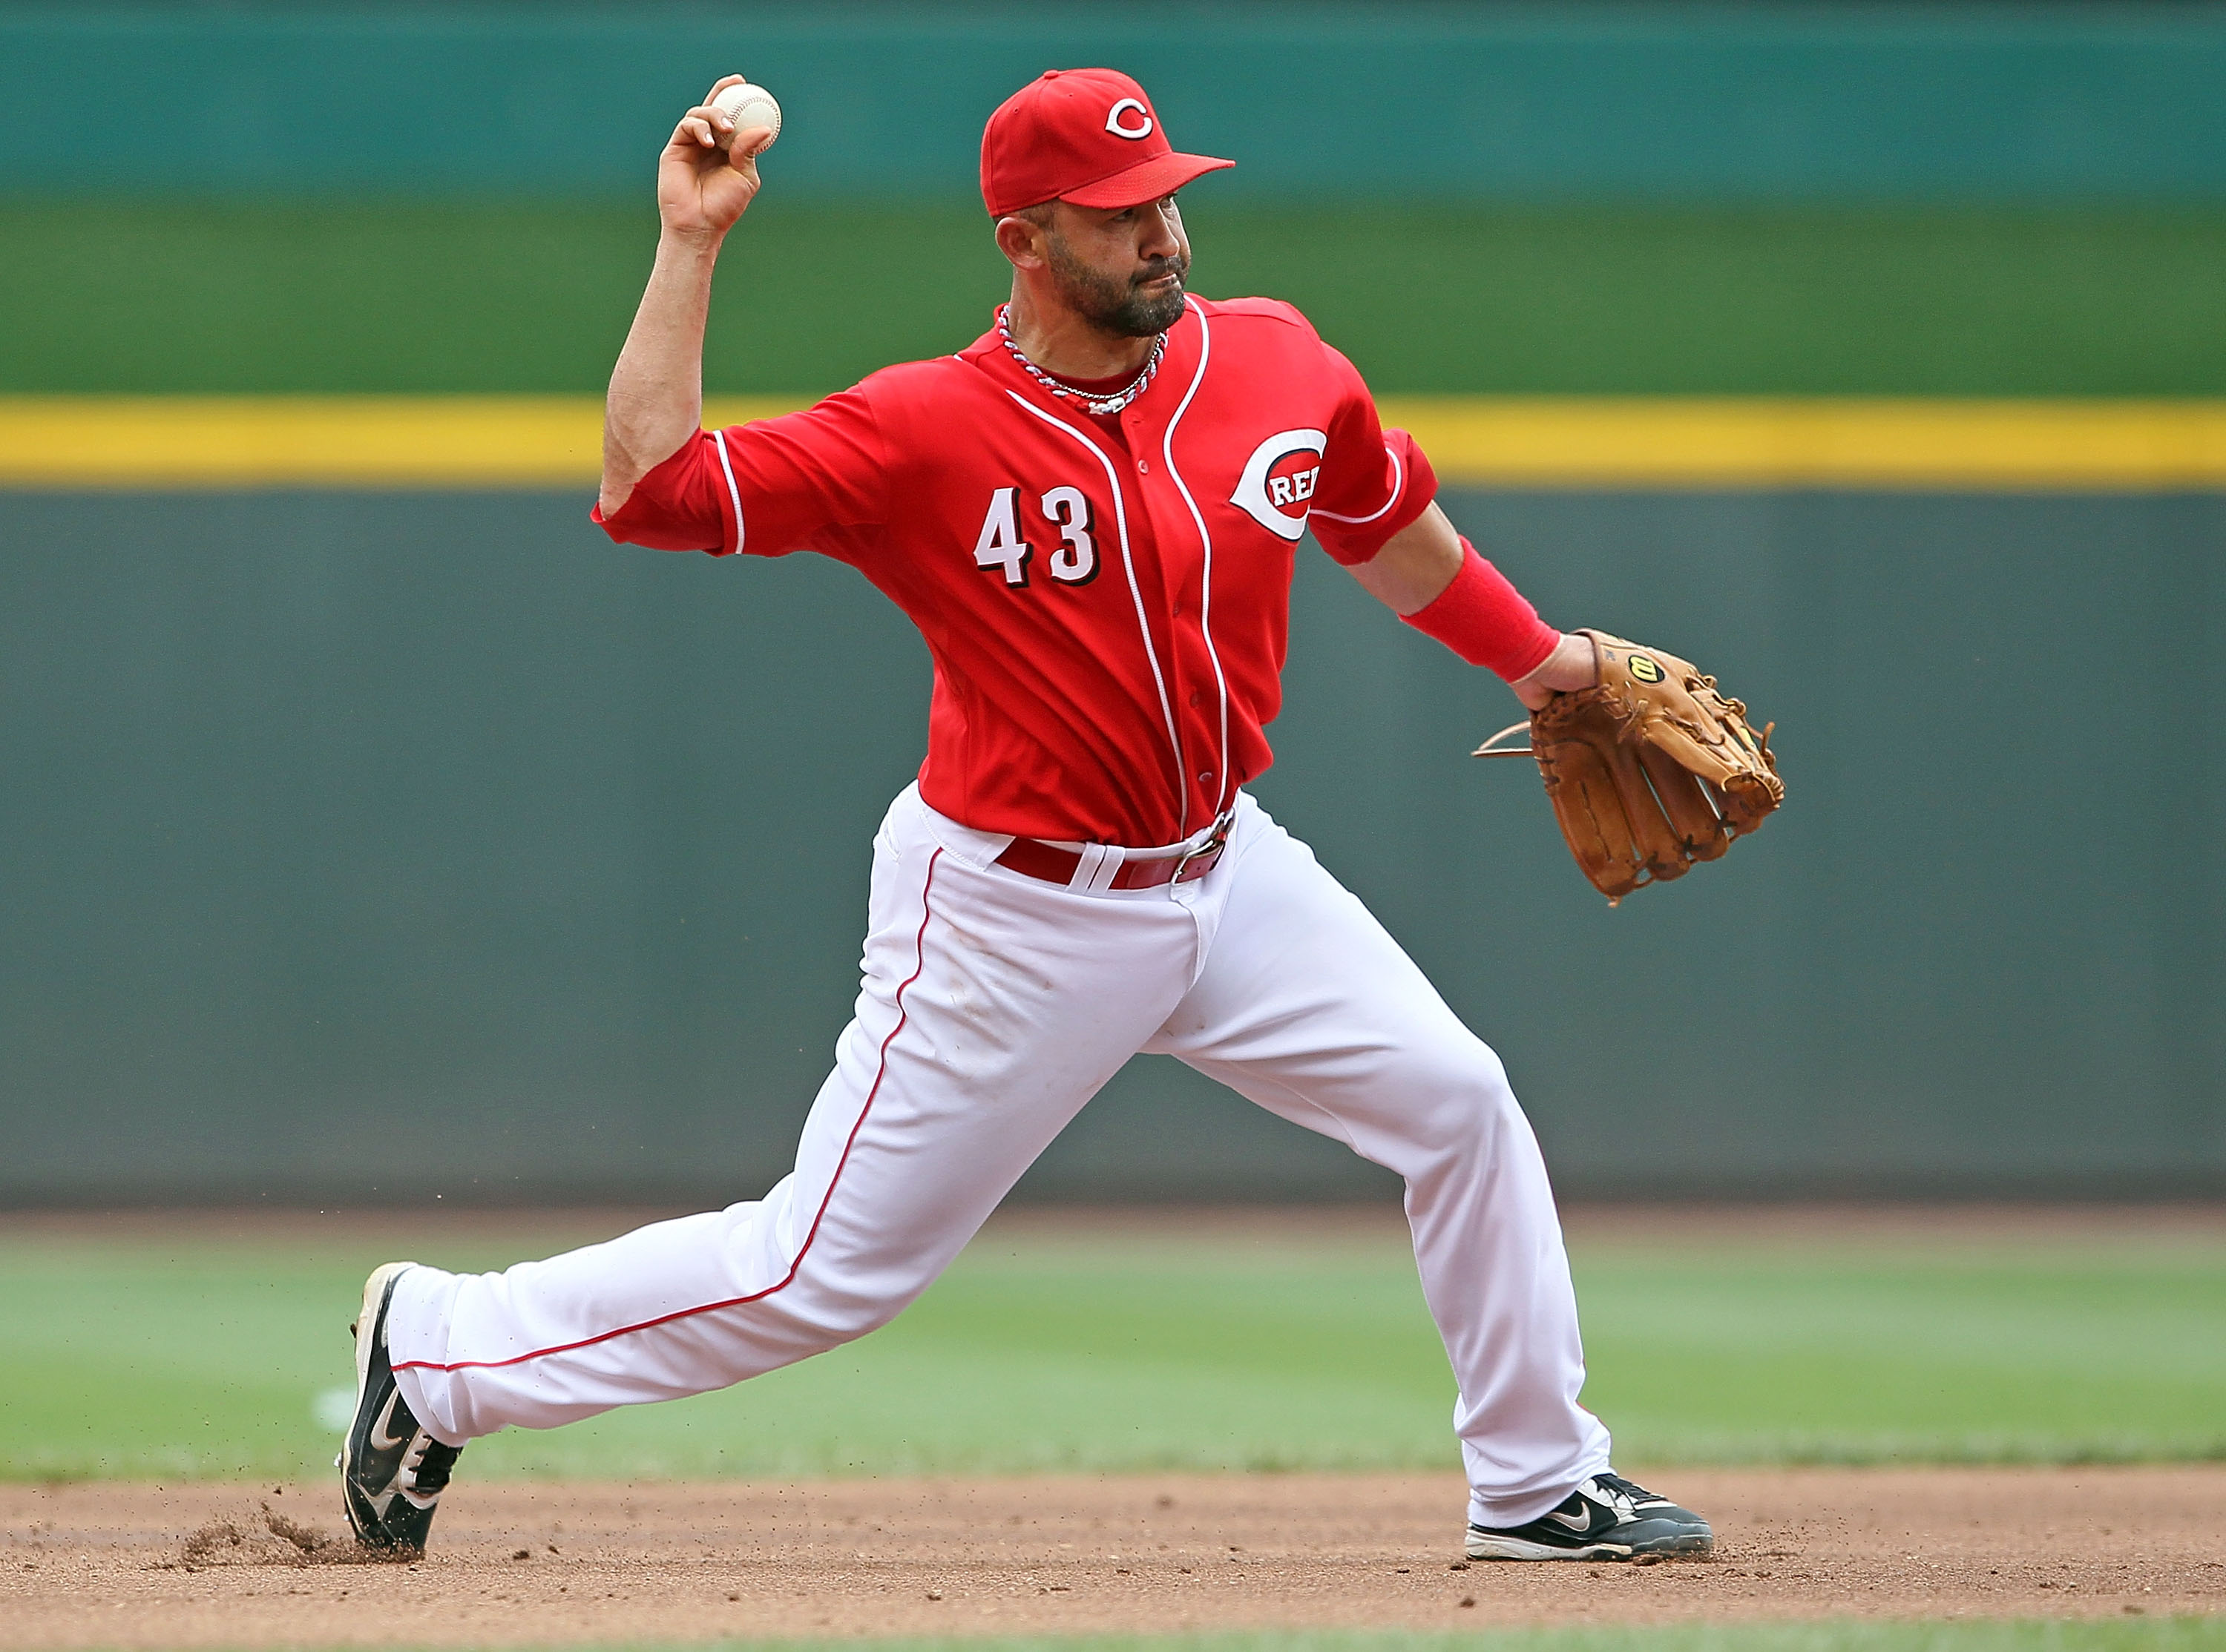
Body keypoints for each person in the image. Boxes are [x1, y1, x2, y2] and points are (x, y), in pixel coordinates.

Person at [338, 67, 1713, 1565]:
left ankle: (1534, 1481)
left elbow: (1383, 522)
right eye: (1121, 216)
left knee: (1460, 1105)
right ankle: (440, 1349)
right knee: (822, 1268)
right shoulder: (923, 429)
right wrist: (692, 243)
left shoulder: (1275, 362)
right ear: (1025, 237)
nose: (1164, 234)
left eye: (1170, 198)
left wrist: (1549, 663)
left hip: (1228, 875)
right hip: (1014, 911)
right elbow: (649, 487)